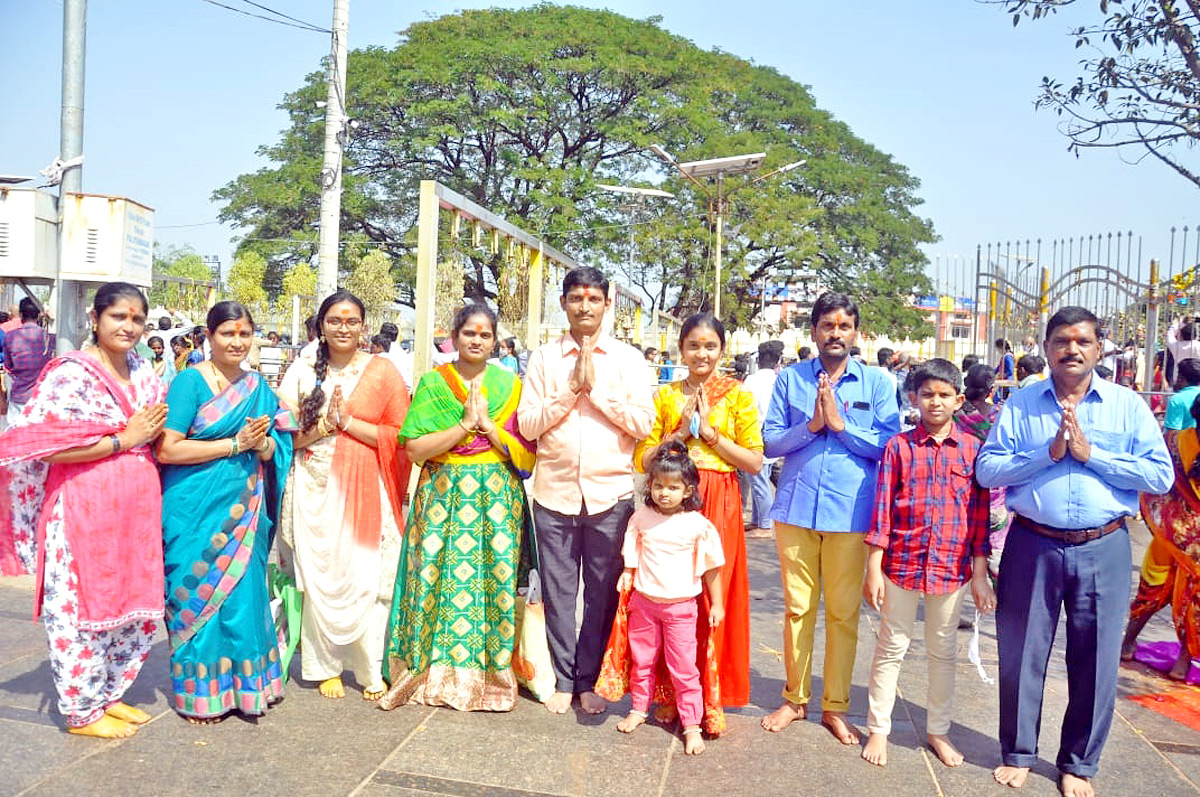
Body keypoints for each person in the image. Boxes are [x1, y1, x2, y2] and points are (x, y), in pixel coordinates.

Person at [977, 305, 1172, 796]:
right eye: (1061, 341)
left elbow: (1159, 476)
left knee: (1097, 658)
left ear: (1098, 348)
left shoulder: (1126, 406)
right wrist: (1048, 454)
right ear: (1046, 349)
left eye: (1083, 341)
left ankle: (1078, 764)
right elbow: (988, 471)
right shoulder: (1021, 405)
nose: (1072, 349)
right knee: (1021, 654)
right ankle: (1019, 753)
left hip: (1102, 546)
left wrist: (1092, 454)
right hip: (1032, 544)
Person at [0, 282, 168, 738]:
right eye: (118, 316)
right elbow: (43, 448)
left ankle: (107, 695)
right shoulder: (70, 374)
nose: (128, 327)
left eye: (136, 319)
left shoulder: (145, 372)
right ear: (95, 319)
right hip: (80, 508)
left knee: (129, 605)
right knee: (78, 608)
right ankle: (80, 711)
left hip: (134, 512)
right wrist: (123, 440)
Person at [379, 304, 535, 712]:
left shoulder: (512, 386)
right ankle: (431, 671)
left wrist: (489, 428)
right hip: (442, 493)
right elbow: (414, 450)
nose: (477, 341)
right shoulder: (434, 384)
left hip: (497, 497)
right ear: (454, 336)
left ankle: (492, 676)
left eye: (485, 335)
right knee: (434, 575)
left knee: (493, 577)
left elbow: (525, 457)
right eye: (469, 333)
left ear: (495, 339)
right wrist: (463, 427)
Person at [760, 291, 900, 743]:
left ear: (855, 332)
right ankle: (795, 698)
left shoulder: (877, 383)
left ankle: (835, 706)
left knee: (842, 614)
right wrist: (812, 427)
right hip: (797, 509)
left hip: (851, 511)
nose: (835, 333)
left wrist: (842, 427)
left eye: (844, 326)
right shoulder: (791, 380)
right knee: (797, 610)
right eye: (827, 325)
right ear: (814, 331)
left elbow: (889, 446)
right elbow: (770, 442)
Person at [516, 266, 655, 715]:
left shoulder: (628, 360)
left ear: (607, 304)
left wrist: (596, 393)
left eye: (594, 299)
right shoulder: (543, 358)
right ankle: (561, 679)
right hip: (553, 494)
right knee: (557, 592)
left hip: (609, 495)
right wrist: (569, 390)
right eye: (576, 298)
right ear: (563, 303)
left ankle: (588, 679)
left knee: (601, 593)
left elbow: (642, 424)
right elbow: (529, 425)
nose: (585, 307)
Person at [156, 301, 295, 723]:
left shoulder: (259, 387)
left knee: (240, 597)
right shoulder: (189, 383)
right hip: (192, 508)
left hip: (245, 509)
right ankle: (203, 695)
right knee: (197, 599)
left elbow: (279, 446)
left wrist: (262, 445)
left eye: (244, 333)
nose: (237, 341)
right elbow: (168, 447)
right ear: (208, 337)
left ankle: (248, 690)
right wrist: (233, 444)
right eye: (227, 334)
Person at [276, 291, 412, 701]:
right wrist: (322, 430)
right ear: (321, 325)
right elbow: (284, 439)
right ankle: (324, 668)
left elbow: (402, 437)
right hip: (314, 490)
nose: (343, 328)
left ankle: (372, 668)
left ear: (364, 326)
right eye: (335, 320)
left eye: (352, 320)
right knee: (321, 578)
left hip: (369, 488)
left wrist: (349, 422)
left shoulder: (382, 371)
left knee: (370, 577)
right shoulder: (300, 372)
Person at [861, 358, 995, 769]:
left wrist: (979, 574)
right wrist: (874, 565)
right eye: (927, 394)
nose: (935, 402)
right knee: (891, 646)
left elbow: (978, 516)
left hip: (951, 567)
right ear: (914, 398)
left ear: (958, 400)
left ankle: (938, 730)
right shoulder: (899, 447)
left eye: (943, 395)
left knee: (942, 650)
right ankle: (878, 729)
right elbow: (882, 508)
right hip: (901, 562)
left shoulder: (973, 450)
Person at [634, 313, 763, 726]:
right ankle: (669, 691)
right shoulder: (666, 396)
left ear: (721, 350)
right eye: (694, 345)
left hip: (719, 497)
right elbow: (643, 458)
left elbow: (755, 461)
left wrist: (709, 434)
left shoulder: (738, 395)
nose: (702, 353)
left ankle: (710, 696)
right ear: (681, 350)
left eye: (710, 346)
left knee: (711, 595)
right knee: (668, 594)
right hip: (669, 500)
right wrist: (678, 433)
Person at [614, 441, 725, 755]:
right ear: (649, 486)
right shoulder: (642, 516)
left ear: (688, 490)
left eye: (673, 487)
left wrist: (716, 603)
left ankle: (691, 724)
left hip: (680, 608)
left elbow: (711, 567)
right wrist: (628, 571)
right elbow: (632, 544)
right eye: (659, 486)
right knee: (642, 661)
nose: (664, 493)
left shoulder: (697, 525)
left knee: (683, 667)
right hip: (644, 604)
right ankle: (638, 708)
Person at [1123, 357, 1200, 678]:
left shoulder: (1174, 441)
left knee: (1151, 589)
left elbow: (1154, 482)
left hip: (1168, 536)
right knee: (1194, 599)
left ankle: (1127, 643)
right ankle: (1184, 661)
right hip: (1195, 547)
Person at [954, 363, 1009, 577]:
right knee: (996, 549)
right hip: (995, 492)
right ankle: (997, 594)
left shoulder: (956, 414)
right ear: (991, 390)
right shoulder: (999, 415)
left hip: (962, 487)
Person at [743, 340, 784, 539]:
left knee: (758, 482)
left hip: (755, 432)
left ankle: (765, 525)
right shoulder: (779, 379)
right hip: (772, 433)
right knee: (760, 478)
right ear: (778, 360)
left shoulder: (751, 380)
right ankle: (758, 520)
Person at [4, 297, 53, 425]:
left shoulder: (10, 337)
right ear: (38, 314)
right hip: (41, 397)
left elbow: (8, 367)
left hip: (18, 396)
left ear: (20, 314)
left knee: (15, 437)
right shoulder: (48, 338)